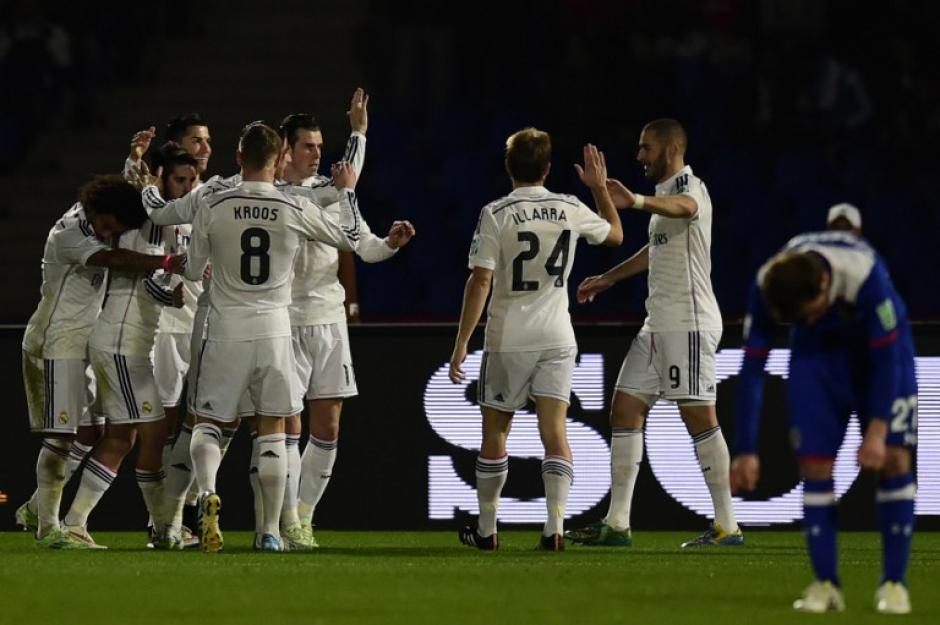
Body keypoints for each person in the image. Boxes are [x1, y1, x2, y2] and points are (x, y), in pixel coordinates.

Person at [183, 122, 362, 553]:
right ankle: (270, 532)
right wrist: (349, 191)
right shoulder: (292, 205)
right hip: (277, 331)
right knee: (273, 429)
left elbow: (191, 271)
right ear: (278, 157)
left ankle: (207, 493)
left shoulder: (214, 203)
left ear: (240, 158)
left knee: (209, 423)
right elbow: (350, 240)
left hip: (225, 329)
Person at [565, 118, 741, 548]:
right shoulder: (664, 196)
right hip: (657, 324)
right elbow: (657, 248)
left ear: (671, 149)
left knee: (699, 417)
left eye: (646, 148)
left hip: (689, 321)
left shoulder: (689, 187)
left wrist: (638, 201)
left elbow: (689, 209)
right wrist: (608, 278)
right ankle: (618, 524)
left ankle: (727, 526)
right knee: (624, 410)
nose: (639, 155)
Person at [450, 129, 622, 551]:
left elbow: (481, 280)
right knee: (555, 431)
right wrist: (600, 189)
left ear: (509, 167)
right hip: (557, 336)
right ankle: (555, 527)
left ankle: (488, 530)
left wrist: (461, 344)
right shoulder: (569, 206)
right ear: (547, 168)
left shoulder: (496, 213)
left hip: (509, 336)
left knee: (495, 432)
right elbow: (615, 235)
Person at [730, 231, 917, 615]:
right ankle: (826, 584)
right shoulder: (768, 285)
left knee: (895, 458)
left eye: (811, 310)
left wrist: (878, 433)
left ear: (825, 283)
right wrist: (745, 449)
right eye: (800, 318)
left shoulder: (865, 277)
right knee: (814, 465)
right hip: (817, 359)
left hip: (878, 355)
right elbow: (751, 368)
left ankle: (894, 584)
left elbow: (888, 362)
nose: (810, 318)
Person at [275, 89, 415, 550]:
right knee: (286, 428)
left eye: (320, 145)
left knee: (329, 428)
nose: (317, 153)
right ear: (285, 150)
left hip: (329, 320)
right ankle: (281, 519)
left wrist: (390, 244)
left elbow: (366, 247)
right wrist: (358, 134)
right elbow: (347, 183)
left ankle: (303, 518)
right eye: (308, 146)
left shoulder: (332, 193)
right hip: (284, 321)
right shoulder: (271, 198)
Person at [19, 175, 186, 548]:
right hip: (55, 341)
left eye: (115, 229)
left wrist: (137, 166)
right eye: (107, 226)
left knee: (90, 433)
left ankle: (35, 507)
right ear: (95, 209)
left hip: (82, 344)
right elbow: (113, 258)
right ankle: (49, 529)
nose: (109, 233)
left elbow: (123, 205)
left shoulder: (100, 212)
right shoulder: (69, 232)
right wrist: (169, 260)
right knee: (61, 436)